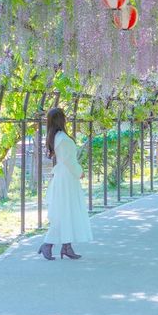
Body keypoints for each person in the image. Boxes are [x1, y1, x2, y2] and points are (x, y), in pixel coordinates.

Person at [38, 107, 93, 260]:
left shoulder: (56, 136)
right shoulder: (62, 138)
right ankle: (48, 244)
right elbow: (69, 161)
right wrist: (79, 172)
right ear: (60, 119)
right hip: (67, 177)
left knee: (67, 210)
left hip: (65, 177)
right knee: (65, 210)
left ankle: (66, 246)